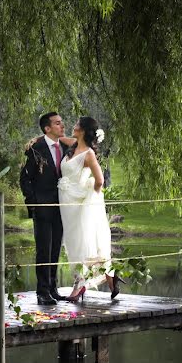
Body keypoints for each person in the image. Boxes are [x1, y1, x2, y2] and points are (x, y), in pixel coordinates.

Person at [56, 116, 124, 302]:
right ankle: (110, 276)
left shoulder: (88, 154)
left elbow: (99, 180)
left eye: (77, 124)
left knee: (82, 243)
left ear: (84, 130)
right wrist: (38, 139)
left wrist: (90, 199)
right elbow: (55, 136)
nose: (73, 126)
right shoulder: (72, 144)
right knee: (72, 242)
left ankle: (79, 285)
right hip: (66, 204)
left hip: (79, 203)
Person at [19, 112, 69, 305]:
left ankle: (53, 288)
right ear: (47, 128)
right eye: (58, 123)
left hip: (61, 206)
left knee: (56, 247)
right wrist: (34, 204)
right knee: (43, 250)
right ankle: (42, 292)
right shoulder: (35, 148)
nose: (62, 126)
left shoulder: (64, 146)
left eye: (62, 122)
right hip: (42, 207)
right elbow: (25, 179)